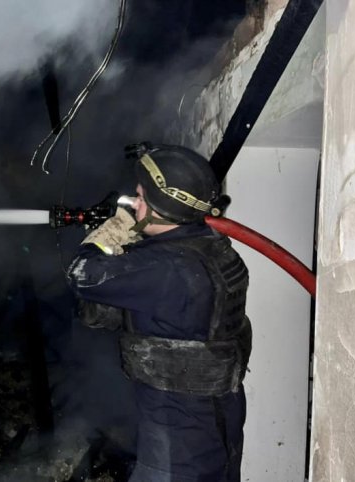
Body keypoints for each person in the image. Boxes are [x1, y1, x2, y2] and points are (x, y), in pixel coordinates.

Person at [66, 143, 252, 482]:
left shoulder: (165, 268)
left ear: (163, 208)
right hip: (218, 415)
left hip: (178, 429)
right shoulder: (211, 249)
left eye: (140, 198)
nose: (133, 205)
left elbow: (82, 275)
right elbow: (170, 311)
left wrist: (108, 234)